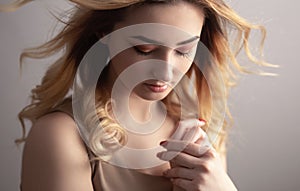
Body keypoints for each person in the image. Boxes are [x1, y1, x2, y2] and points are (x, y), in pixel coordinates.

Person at [1, 0, 275, 190]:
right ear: (105, 33)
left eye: (184, 51)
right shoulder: (61, 135)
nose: (166, 72)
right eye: (144, 49)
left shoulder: (201, 127)